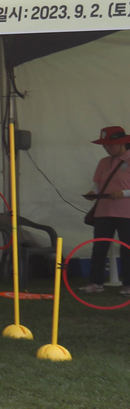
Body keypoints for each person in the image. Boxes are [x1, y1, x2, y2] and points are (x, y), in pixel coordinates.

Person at [82, 125, 130, 293]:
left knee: (127, 248)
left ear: (122, 142)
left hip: (127, 213)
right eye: (105, 145)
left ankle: (128, 285)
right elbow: (98, 185)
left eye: (111, 145)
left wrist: (123, 193)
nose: (107, 148)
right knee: (99, 247)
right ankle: (96, 283)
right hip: (104, 211)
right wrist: (92, 193)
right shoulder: (103, 162)